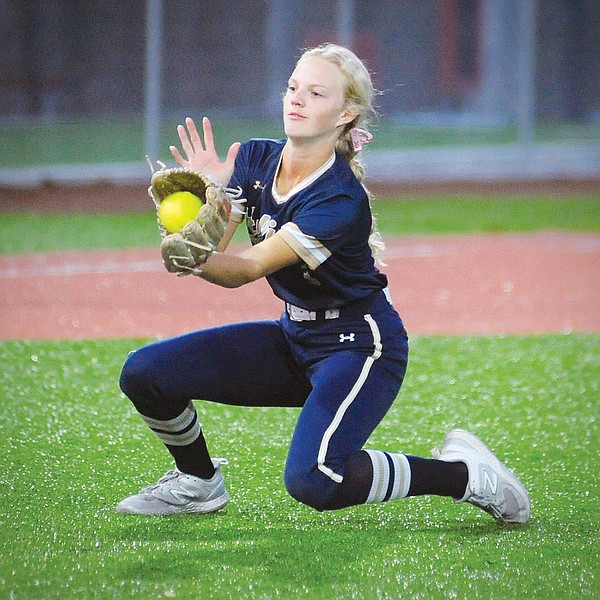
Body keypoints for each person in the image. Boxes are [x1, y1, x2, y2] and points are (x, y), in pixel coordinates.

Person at [117, 43, 530, 524]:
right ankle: (199, 483)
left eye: (316, 93)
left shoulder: (338, 200)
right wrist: (205, 202)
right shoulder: (254, 158)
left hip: (359, 347)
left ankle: (464, 477)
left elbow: (246, 269)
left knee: (314, 479)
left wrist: (187, 257)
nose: (297, 99)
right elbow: (218, 242)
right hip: (295, 336)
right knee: (144, 372)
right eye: (294, 87)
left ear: (346, 113)